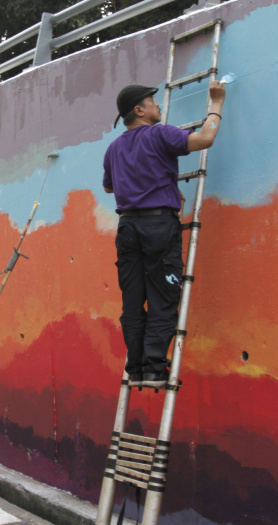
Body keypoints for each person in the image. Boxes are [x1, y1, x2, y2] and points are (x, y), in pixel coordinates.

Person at [103, 80, 226, 389]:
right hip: (159, 227)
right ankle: (155, 369)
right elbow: (205, 138)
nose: (158, 105)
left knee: (132, 300)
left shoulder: (114, 147)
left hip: (127, 228)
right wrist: (217, 104)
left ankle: (136, 367)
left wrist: (141, 181)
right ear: (139, 110)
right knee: (162, 297)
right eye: (152, 101)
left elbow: (109, 186)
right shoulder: (160, 133)